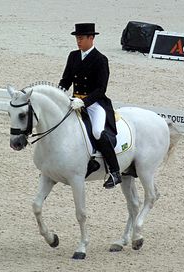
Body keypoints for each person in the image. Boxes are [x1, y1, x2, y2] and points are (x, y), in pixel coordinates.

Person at [59, 23, 122, 189]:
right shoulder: (73, 56)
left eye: (81, 38)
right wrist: (59, 91)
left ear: (91, 38)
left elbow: (101, 89)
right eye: (77, 38)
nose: (78, 41)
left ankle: (115, 172)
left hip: (94, 103)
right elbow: (66, 79)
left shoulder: (101, 59)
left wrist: (85, 102)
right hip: (74, 102)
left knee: (96, 131)